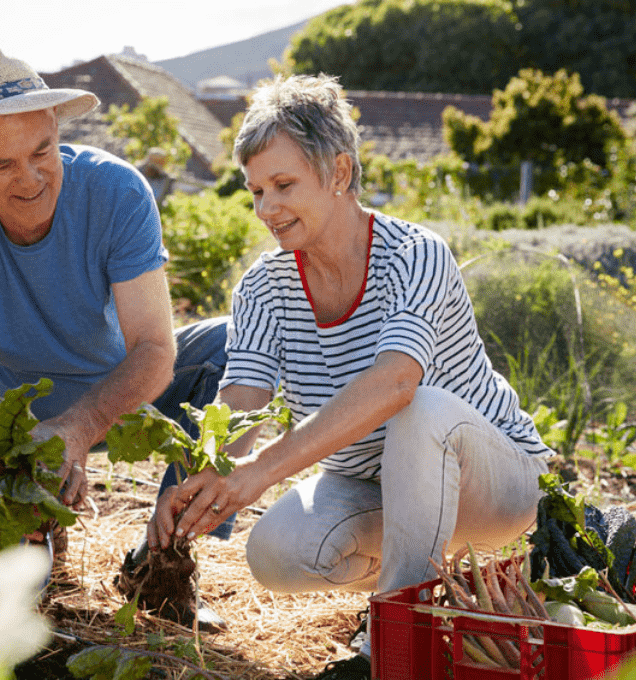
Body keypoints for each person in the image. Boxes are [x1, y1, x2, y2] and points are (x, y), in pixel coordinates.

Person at [147, 74, 554, 680]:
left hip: (495, 485)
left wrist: (262, 473)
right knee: (275, 553)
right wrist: (204, 478)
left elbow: (395, 383)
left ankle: (394, 638)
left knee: (419, 409)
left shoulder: (416, 254)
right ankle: (436, 581)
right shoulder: (265, 285)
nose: (267, 209)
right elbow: (241, 398)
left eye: (284, 185)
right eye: (256, 190)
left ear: (339, 174)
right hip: (383, 489)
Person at [0, 42, 231, 627]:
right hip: (5, 439)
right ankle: (41, 538)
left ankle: (162, 560)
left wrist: (77, 428)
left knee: (239, 346)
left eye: (41, 151)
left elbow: (156, 351)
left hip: (120, 391)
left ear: (55, 123)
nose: (29, 180)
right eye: (1, 165)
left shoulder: (116, 191)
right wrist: (13, 496)